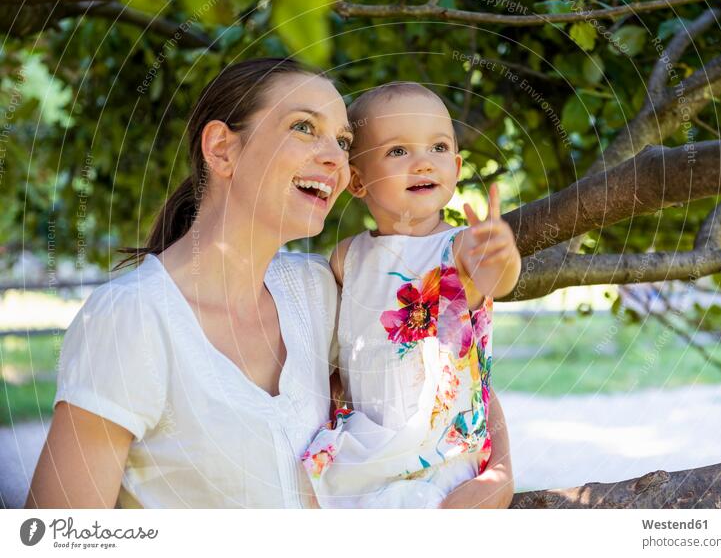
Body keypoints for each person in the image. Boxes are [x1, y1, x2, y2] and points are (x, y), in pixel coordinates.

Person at [25, 58, 353, 508]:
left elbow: (443, 348)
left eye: (344, 140)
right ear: (221, 148)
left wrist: (489, 473)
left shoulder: (318, 293)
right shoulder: (132, 318)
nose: (336, 158)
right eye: (304, 127)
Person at [301, 82, 520, 508]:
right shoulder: (348, 258)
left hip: (439, 456)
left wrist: (500, 255)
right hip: (366, 450)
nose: (423, 163)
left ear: (456, 166)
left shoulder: (458, 250)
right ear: (358, 181)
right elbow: (340, 352)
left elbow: (496, 279)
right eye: (398, 151)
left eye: (438, 147)